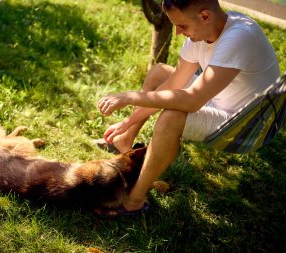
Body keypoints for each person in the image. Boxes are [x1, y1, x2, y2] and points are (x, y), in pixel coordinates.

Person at [96, 0, 280, 216]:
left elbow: (191, 101)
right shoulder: (202, 32)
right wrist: (129, 121)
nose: (177, 33)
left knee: (171, 117)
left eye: (182, 26)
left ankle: (134, 201)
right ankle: (125, 138)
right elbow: (174, 84)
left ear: (204, 16)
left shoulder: (239, 36)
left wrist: (129, 97)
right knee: (159, 73)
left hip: (245, 123)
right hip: (219, 97)